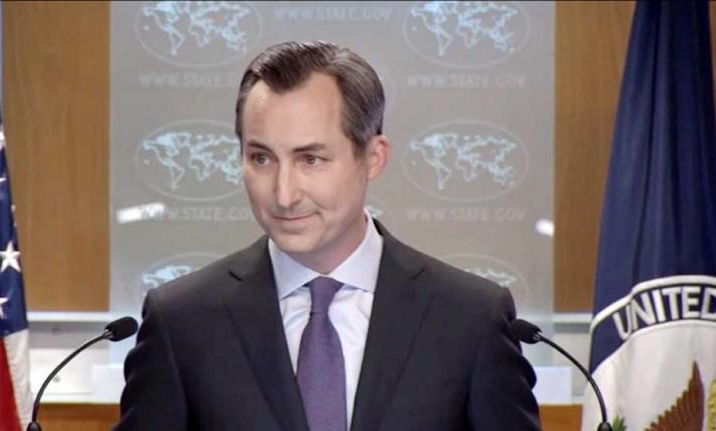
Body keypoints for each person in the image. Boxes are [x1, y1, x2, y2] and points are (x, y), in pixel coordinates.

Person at [115, 40, 541, 431]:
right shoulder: (181, 322)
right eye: (261, 158)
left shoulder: (470, 318)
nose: (284, 194)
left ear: (373, 158)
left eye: (311, 159)